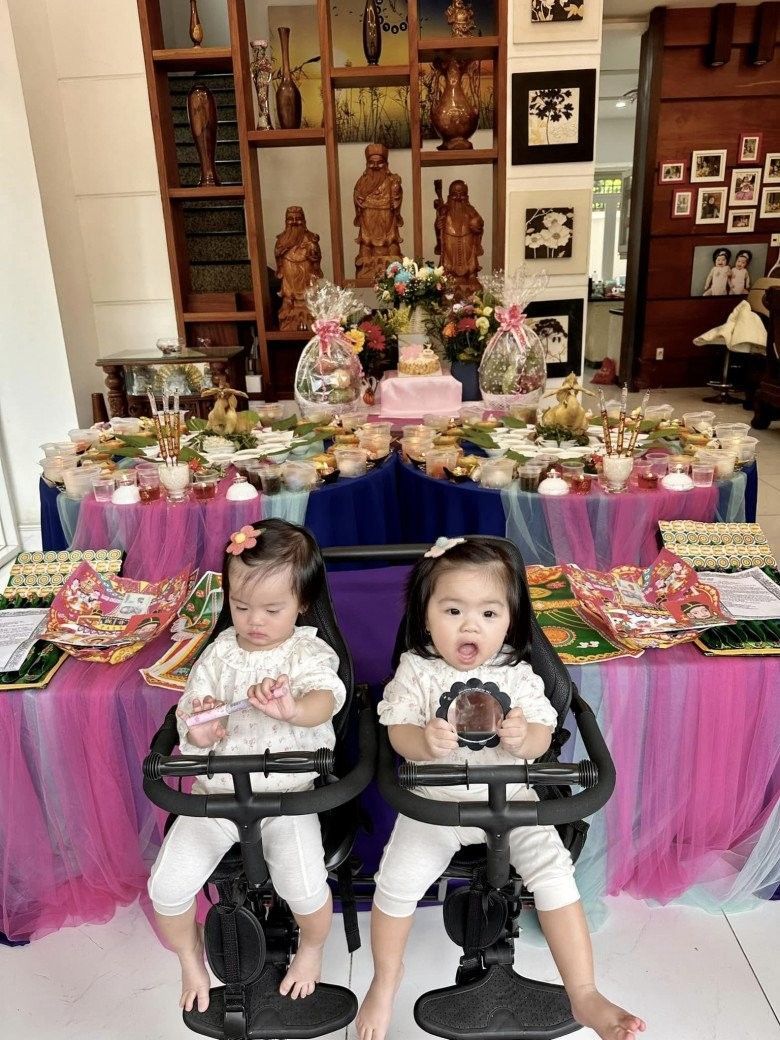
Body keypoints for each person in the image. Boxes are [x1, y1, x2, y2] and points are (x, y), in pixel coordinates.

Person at [356, 536, 647, 1040]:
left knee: (555, 875)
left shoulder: (519, 674)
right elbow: (398, 732)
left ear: (510, 621)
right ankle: (385, 980)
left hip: (514, 803)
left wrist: (524, 737)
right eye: (453, 611)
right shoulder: (416, 671)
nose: (470, 626)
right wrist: (422, 742)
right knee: (395, 885)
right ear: (425, 616)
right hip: (436, 807)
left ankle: (584, 992)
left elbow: (543, 737)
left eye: (489, 614)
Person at [147, 518, 346, 1014]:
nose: (255, 621)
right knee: (166, 889)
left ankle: (312, 947)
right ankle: (189, 955)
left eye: (272, 609)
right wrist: (201, 728)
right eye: (240, 606)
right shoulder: (218, 654)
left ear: (302, 603)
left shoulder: (306, 652)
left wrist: (293, 709)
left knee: (304, 889)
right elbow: (189, 714)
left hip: (286, 798)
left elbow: (327, 700)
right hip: (215, 797)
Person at [354, 143, 404, 284]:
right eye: (371, 163)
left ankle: (391, 263)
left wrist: (396, 193)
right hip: (368, 215)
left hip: (386, 215)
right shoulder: (363, 181)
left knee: (391, 241)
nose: (375, 166)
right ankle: (367, 263)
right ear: (367, 164)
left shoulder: (392, 180)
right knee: (366, 242)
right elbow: (357, 194)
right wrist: (358, 200)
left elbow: (397, 196)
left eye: (379, 163)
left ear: (386, 164)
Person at [275, 206, 323, 331]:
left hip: (306, 268)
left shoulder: (311, 238)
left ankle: (308, 311)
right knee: (289, 290)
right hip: (289, 267)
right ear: (286, 221)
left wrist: (313, 254)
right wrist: (281, 253)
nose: (295, 222)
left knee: (308, 289)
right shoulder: (281, 239)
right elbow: (278, 255)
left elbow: (317, 256)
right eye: (291, 219)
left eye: (298, 218)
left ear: (304, 220)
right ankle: (290, 312)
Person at [434, 179, 484, 297]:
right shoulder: (445, 209)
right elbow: (438, 225)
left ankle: (471, 275)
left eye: (461, 194)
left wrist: (476, 225)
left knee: (470, 254)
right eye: (454, 194)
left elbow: (479, 222)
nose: (458, 197)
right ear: (449, 196)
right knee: (448, 255)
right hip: (449, 237)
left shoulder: (470, 209)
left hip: (467, 237)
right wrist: (438, 225)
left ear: (466, 196)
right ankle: (448, 275)